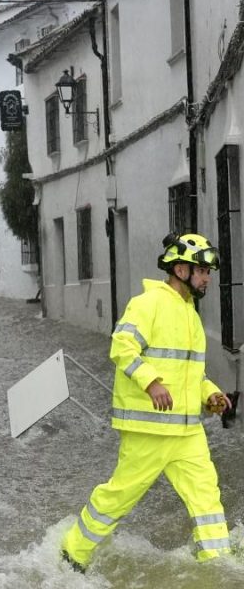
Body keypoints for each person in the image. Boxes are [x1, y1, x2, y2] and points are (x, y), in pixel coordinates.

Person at [61, 233, 232, 572]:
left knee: (206, 498)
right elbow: (122, 345)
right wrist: (151, 383)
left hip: (187, 431)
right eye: (202, 271)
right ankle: (72, 553)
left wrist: (210, 395)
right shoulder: (148, 303)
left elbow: (190, 374)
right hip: (149, 428)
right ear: (180, 270)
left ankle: (219, 566)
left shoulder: (191, 315)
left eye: (208, 273)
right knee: (120, 495)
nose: (207, 279)